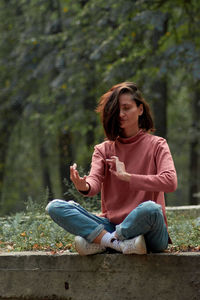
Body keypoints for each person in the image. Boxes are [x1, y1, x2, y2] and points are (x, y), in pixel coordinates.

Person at [46, 82, 177, 255]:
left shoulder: (157, 145)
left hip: (150, 232)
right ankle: (118, 243)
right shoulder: (103, 149)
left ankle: (105, 241)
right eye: (117, 110)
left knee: (151, 209)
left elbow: (170, 182)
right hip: (112, 224)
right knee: (55, 207)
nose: (121, 114)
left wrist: (128, 177)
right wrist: (83, 185)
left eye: (127, 108)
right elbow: (93, 183)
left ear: (140, 109)